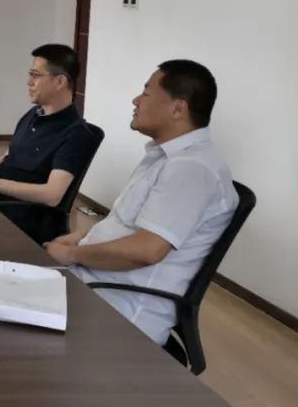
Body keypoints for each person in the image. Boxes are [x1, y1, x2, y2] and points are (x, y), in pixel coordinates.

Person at [44, 60, 238, 345]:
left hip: (118, 311)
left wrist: (72, 255)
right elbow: (126, 223)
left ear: (178, 108)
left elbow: (146, 250)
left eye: (146, 93)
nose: (136, 100)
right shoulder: (164, 157)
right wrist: (82, 237)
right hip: (91, 284)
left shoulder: (191, 169)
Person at [0, 44, 99, 241]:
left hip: (18, 217)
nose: (29, 82)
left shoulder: (76, 134)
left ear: (60, 81)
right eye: (30, 74)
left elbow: (52, 195)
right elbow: (11, 155)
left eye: (36, 75)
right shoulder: (34, 114)